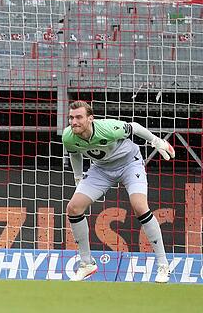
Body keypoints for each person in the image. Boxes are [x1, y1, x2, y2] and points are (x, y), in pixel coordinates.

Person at [63, 101, 173, 283]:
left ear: (91, 119)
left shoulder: (108, 128)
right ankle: (87, 263)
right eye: (71, 117)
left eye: (79, 117)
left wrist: (157, 142)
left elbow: (135, 127)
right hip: (101, 169)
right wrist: (78, 178)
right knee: (73, 208)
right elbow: (74, 153)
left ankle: (163, 265)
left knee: (139, 207)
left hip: (129, 163)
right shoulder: (68, 136)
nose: (74, 121)